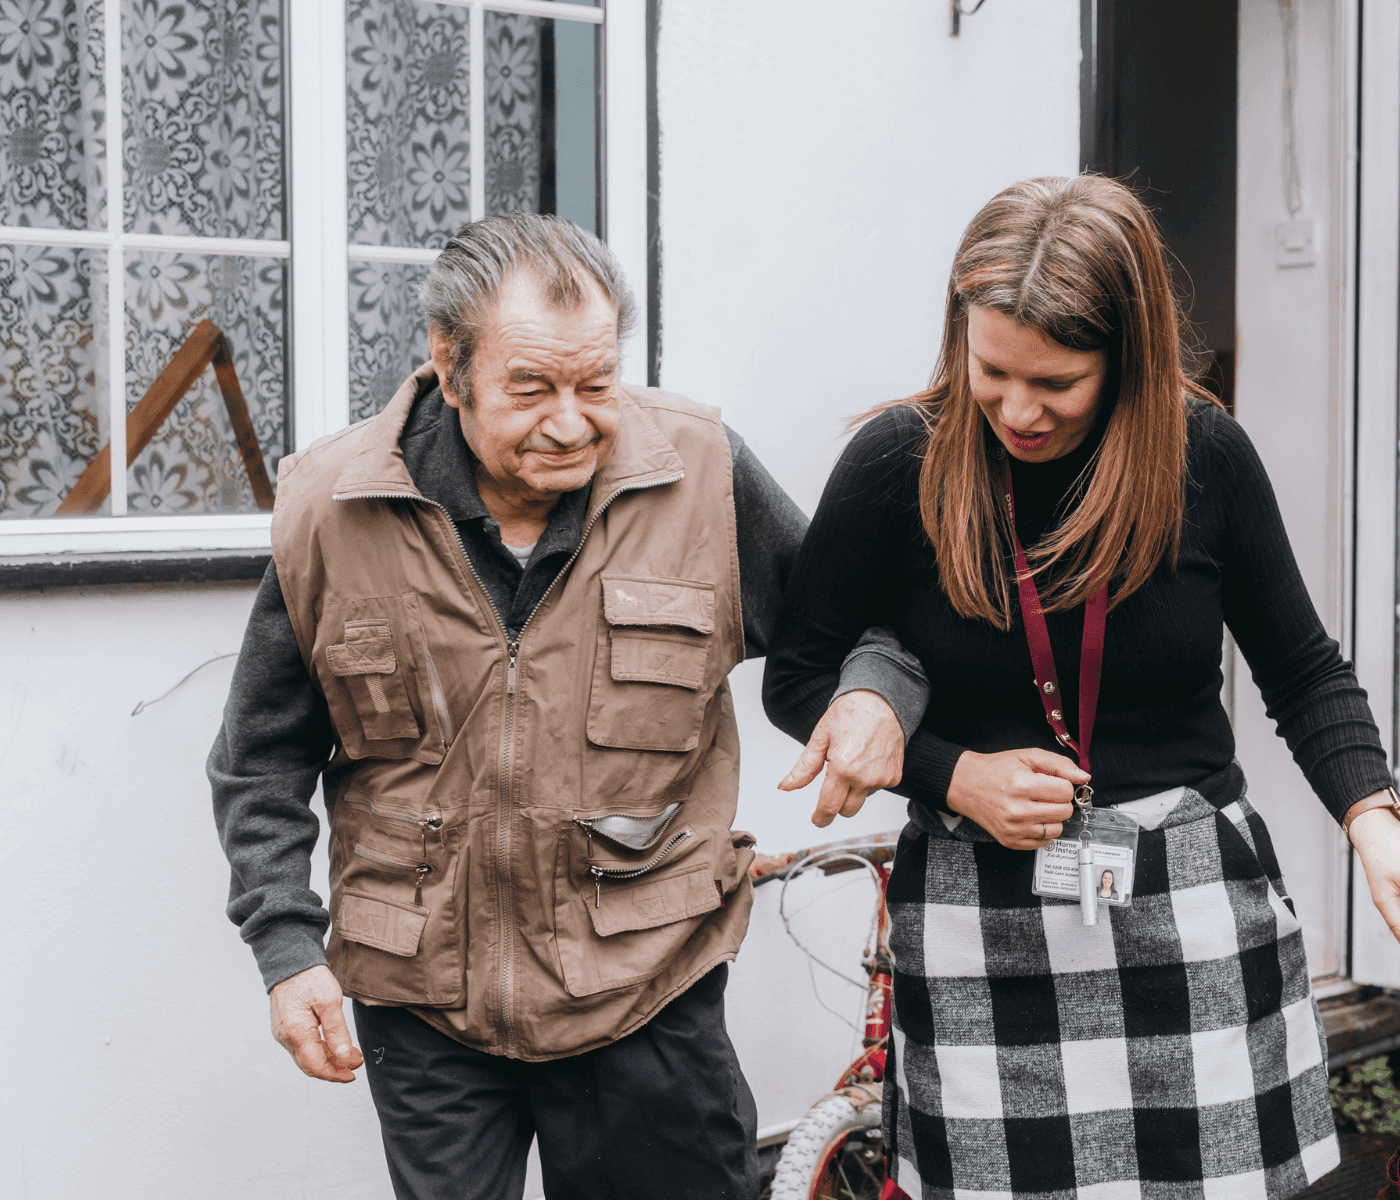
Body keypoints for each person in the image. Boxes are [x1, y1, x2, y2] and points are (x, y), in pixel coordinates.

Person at [208, 213, 924, 1200]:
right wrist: (286, 949)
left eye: (595, 385)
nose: (571, 421)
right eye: (530, 389)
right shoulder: (330, 508)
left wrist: (871, 695)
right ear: (448, 363)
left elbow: (858, 630)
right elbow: (261, 760)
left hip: (647, 994)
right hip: (425, 1012)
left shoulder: (701, 472)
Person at [763, 176, 1400, 1199]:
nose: (1016, 409)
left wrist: (1371, 820)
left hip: (1190, 901)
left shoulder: (1205, 459)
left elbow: (1303, 669)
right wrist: (951, 775)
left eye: (1054, 383)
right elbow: (799, 677)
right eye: (990, 372)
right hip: (979, 907)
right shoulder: (897, 463)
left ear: (1127, 360)